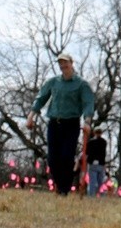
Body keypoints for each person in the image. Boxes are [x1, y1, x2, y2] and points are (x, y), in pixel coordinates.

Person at [31, 52, 95, 196]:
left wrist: (87, 122)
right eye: (60, 63)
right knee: (53, 159)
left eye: (66, 62)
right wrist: (31, 116)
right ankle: (60, 185)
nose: (63, 66)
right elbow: (41, 98)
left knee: (67, 157)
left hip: (71, 124)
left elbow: (88, 103)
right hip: (54, 123)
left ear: (71, 63)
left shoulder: (81, 84)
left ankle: (64, 190)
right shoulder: (54, 82)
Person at [84, 125, 108, 196]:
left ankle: (91, 196)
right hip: (101, 163)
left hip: (92, 163)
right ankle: (102, 196)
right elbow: (104, 154)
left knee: (92, 181)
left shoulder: (90, 142)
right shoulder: (104, 142)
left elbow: (87, 152)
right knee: (101, 181)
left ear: (94, 132)